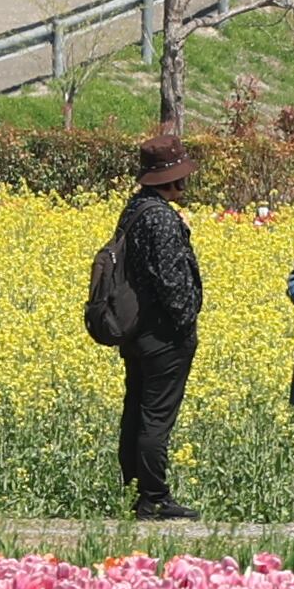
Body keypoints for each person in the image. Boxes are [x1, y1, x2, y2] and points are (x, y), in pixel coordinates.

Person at [108, 131, 205, 522]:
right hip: (162, 333)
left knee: (136, 410)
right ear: (173, 178)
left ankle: (133, 489)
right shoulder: (162, 219)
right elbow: (170, 280)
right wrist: (186, 323)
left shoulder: (134, 209)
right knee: (155, 417)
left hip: (135, 331)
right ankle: (154, 497)